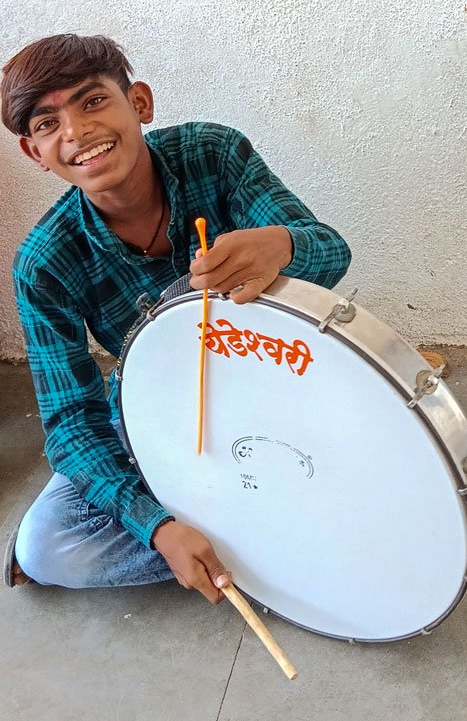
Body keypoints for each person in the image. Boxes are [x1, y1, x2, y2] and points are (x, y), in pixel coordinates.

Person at [2, 34, 351, 599]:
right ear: (34, 153)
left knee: (380, 456)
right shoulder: (44, 263)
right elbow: (70, 424)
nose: (76, 132)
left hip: (277, 378)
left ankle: (256, 525)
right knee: (45, 546)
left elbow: (331, 252)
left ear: (139, 102)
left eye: (93, 102)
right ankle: (275, 531)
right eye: (47, 124)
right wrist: (155, 526)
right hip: (159, 409)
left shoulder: (213, 153)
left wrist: (284, 245)